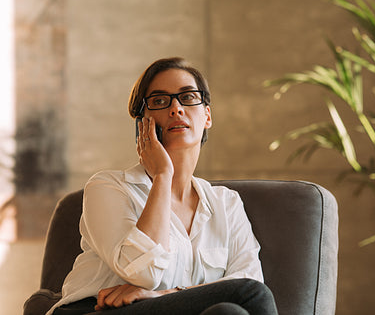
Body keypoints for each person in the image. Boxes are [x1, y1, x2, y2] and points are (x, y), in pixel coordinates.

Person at [48, 57, 278, 315]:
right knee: (249, 295)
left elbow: (249, 277)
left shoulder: (226, 203)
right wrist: (162, 176)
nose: (176, 109)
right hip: (98, 311)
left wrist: (165, 294)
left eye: (188, 97)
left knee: (228, 312)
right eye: (159, 101)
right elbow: (144, 273)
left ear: (207, 115)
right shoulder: (107, 187)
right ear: (141, 124)